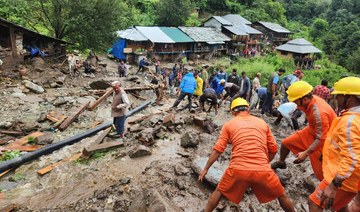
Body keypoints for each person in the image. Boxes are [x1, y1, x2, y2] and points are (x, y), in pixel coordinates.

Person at [198, 98, 295, 212]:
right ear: (248, 109)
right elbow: (273, 149)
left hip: (237, 169)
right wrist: (264, 164)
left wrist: (205, 169)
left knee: (219, 191)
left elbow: (218, 150)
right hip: (262, 169)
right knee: (282, 195)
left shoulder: (229, 124)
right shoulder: (262, 123)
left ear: (233, 112)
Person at [308, 77, 360, 211]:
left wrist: (333, 186)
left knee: (315, 202)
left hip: (345, 179)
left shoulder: (350, 121)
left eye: (339, 96)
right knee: (341, 207)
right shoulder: (354, 118)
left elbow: (352, 157)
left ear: (349, 97)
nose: (336, 99)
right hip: (352, 177)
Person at [271, 81, 337, 181]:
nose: (295, 105)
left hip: (325, 140)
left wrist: (305, 153)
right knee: (285, 143)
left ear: (305, 99)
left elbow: (321, 138)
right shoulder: (310, 101)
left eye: (296, 101)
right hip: (312, 131)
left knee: (321, 173)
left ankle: (329, 191)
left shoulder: (319, 113)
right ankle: (281, 162)